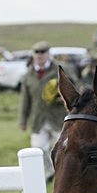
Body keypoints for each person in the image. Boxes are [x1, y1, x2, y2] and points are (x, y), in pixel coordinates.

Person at [19, 41, 65, 182]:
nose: (40, 56)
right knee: (38, 149)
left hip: (58, 117)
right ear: (33, 55)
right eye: (37, 53)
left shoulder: (60, 70)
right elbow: (25, 100)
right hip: (38, 119)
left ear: (48, 54)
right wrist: (23, 120)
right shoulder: (28, 75)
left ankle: (63, 174)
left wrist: (63, 96)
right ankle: (50, 170)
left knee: (62, 149)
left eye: (43, 53)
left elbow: (75, 86)